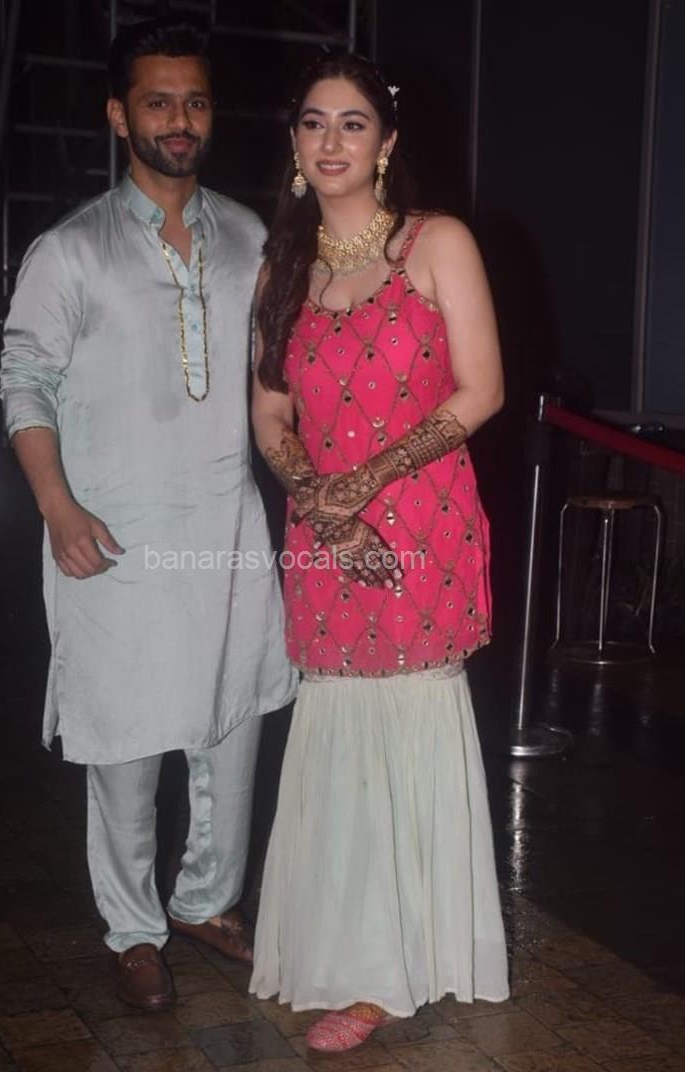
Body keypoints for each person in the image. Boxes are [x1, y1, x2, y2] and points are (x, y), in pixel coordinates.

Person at [0, 20, 297, 1011]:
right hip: (112, 533)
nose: (180, 119)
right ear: (118, 115)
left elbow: (280, 383)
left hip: (224, 530)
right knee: (123, 738)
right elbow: (24, 381)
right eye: (159, 101)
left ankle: (206, 900)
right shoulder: (69, 250)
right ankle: (132, 931)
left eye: (195, 101)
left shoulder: (251, 239)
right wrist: (56, 506)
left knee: (232, 721)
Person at [249, 52, 509, 1051]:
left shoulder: (434, 244)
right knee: (340, 730)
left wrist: (365, 484)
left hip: (421, 524)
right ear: (292, 141)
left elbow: (480, 390)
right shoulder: (282, 270)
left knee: (406, 723)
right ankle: (345, 947)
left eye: (352, 123)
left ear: (386, 143)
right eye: (313, 122)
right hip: (324, 533)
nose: (330, 141)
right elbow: (270, 417)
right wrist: (324, 507)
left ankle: (387, 975)